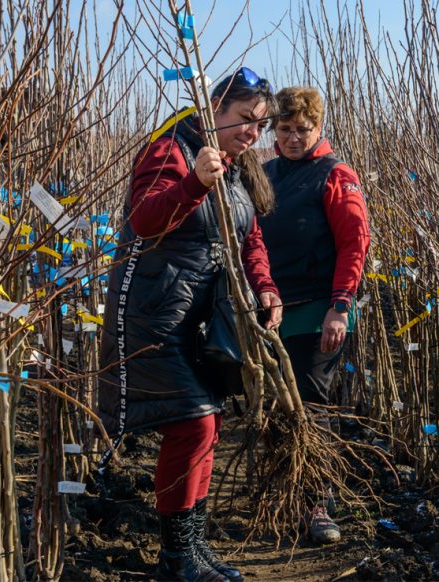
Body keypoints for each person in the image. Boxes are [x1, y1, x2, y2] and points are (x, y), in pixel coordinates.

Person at [98, 67, 282, 582]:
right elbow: (144, 218)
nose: (252, 133)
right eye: (245, 120)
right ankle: (177, 558)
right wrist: (194, 183)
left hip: (199, 314)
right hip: (150, 313)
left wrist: (264, 285)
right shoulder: (172, 150)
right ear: (214, 108)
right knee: (193, 423)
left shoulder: (238, 165)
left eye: (260, 126)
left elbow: (248, 236)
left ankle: (192, 552)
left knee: (210, 423)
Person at [259, 87, 371, 545]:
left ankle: (317, 502)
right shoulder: (262, 173)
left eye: (302, 130)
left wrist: (339, 307)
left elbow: (354, 243)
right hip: (269, 309)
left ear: (318, 128)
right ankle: (282, 496)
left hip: (318, 311)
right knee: (274, 406)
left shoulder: (335, 174)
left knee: (311, 406)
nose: (292, 138)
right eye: (284, 129)